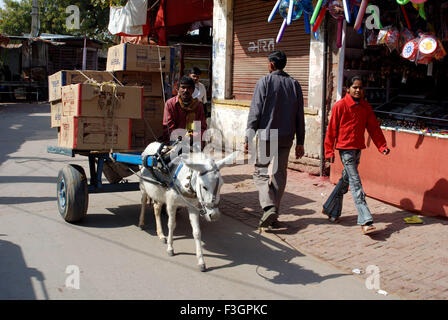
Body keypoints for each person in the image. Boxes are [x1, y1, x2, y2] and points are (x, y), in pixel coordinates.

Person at [244, 50, 305, 229]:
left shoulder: (265, 82)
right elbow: (299, 115)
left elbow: (255, 111)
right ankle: (274, 215)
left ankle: (269, 206)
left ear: (271, 64)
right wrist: (300, 141)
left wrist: (249, 135)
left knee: (260, 172)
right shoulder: (295, 84)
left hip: (267, 135)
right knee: (279, 174)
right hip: (287, 137)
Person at [323, 76, 390, 235]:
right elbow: (331, 130)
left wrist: (382, 146)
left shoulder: (365, 107)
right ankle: (365, 220)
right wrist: (329, 151)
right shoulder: (340, 106)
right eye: (355, 87)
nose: (358, 90)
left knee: (346, 180)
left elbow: (374, 128)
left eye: (360, 88)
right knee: (355, 183)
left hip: (357, 148)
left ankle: (330, 208)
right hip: (345, 150)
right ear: (348, 89)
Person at [162, 75, 207, 145]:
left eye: (189, 88)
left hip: (193, 141)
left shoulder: (198, 106)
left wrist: (190, 137)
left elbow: (202, 128)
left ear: (193, 89)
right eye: (183, 87)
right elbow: (168, 129)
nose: (186, 90)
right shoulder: (170, 104)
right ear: (178, 89)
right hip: (175, 142)